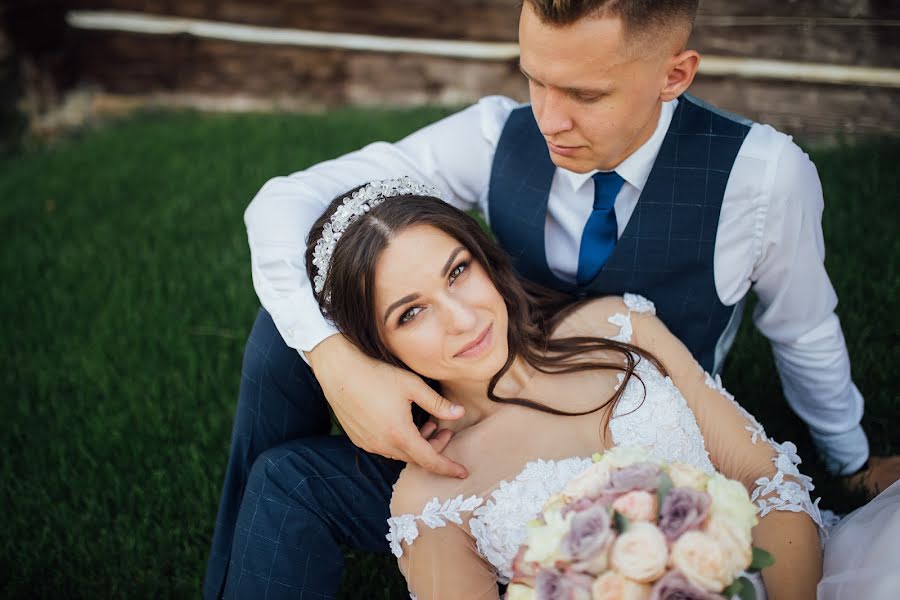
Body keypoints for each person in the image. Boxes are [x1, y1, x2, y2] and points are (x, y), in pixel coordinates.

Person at [203, 1, 898, 597]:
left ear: (674, 76)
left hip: (646, 408)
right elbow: (282, 203)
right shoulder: (495, 134)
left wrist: (849, 458)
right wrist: (337, 363)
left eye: (585, 95)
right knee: (282, 339)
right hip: (466, 440)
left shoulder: (763, 177)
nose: (549, 118)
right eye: (534, 79)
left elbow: (802, 328)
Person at [312, 180, 824, 598]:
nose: (462, 318)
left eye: (458, 271)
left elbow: (766, 478)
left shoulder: (616, 326)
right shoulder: (431, 497)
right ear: (376, 348)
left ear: (484, 259)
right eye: (411, 312)